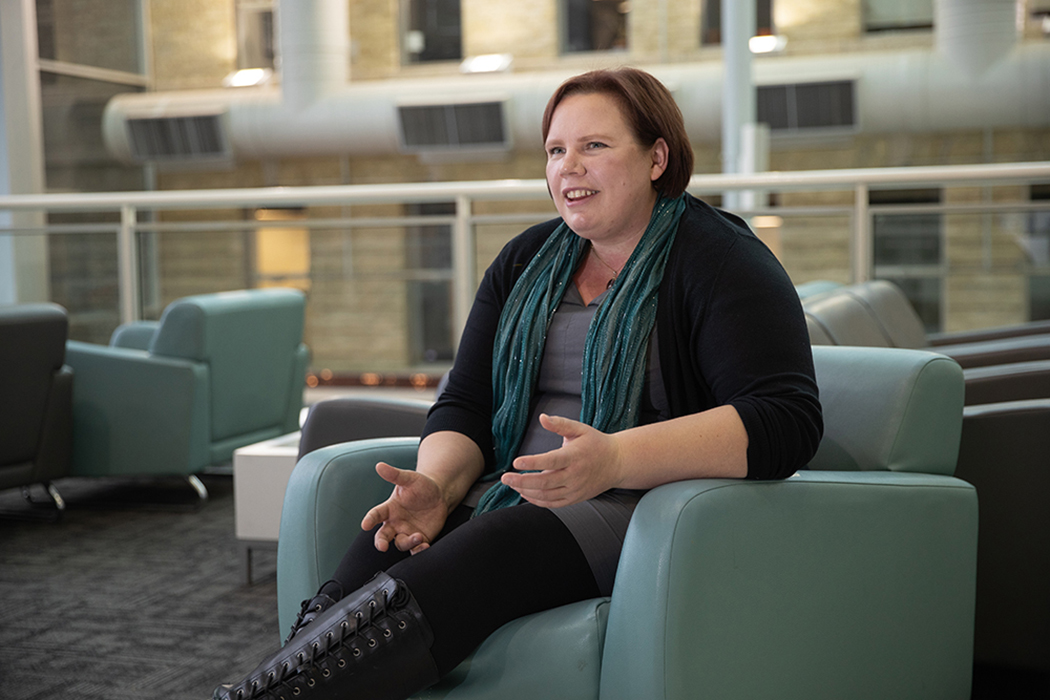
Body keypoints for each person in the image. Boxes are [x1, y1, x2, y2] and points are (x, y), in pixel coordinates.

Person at [213, 66, 823, 700]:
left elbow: (786, 420)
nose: (568, 167)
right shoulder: (527, 259)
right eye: (556, 150)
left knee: (495, 544)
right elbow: (467, 403)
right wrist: (439, 486)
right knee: (384, 544)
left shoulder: (721, 260)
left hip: (642, 505)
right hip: (512, 488)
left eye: (595, 146)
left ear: (656, 159)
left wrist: (615, 457)